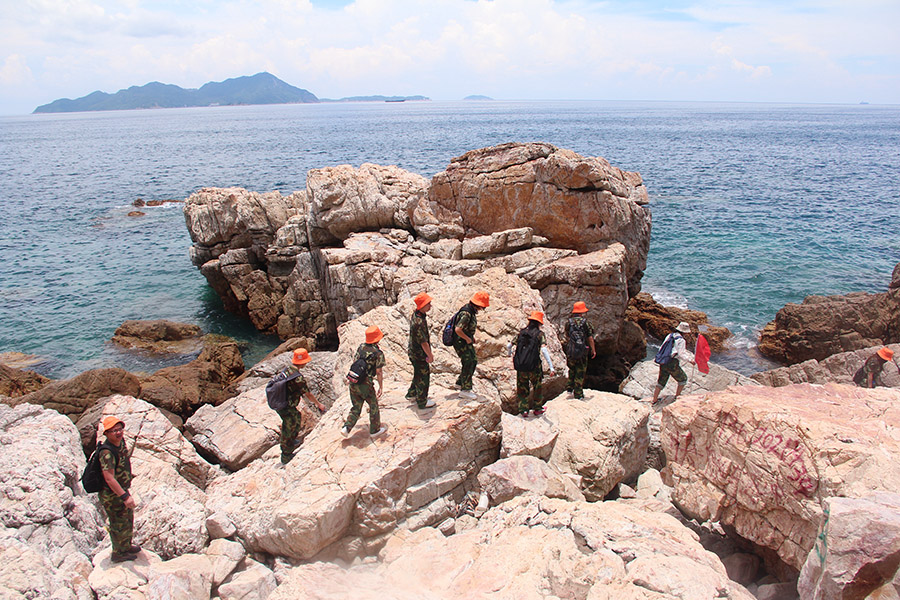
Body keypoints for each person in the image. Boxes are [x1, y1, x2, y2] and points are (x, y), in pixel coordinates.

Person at [97, 416, 139, 563]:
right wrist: (124, 497)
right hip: (111, 494)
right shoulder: (106, 453)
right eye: (114, 431)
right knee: (118, 522)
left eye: (120, 429)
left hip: (121, 489)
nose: (118, 433)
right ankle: (118, 553)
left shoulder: (121, 443)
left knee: (128, 518)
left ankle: (126, 546)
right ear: (107, 434)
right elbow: (109, 478)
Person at [279, 348, 326, 464]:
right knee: (288, 426)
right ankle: (286, 455)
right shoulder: (298, 377)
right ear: (302, 362)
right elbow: (308, 394)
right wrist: (318, 404)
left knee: (297, 418)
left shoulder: (287, 369)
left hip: (283, 402)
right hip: (286, 406)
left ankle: (291, 441)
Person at [508, 311, 556, 417]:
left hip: (521, 366)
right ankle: (537, 408)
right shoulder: (540, 334)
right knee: (537, 387)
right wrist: (551, 367)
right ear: (539, 323)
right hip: (534, 366)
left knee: (522, 388)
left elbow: (509, 345)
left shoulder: (521, 333)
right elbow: (544, 350)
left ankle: (523, 410)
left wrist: (509, 354)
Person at [342, 325, 387, 438]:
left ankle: (346, 427)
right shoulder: (378, 353)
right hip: (365, 384)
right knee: (373, 405)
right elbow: (379, 372)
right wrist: (380, 387)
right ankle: (375, 430)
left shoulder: (361, 347)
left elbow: (355, 361)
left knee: (356, 407)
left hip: (354, 380)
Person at [453, 291, 489, 399]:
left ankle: (460, 383)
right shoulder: (467, 313)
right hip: (461, 342)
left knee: (472, 361)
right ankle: (465, 390)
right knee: (469, 362)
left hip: (464, 341)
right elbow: (458, 329)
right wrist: (467, 338)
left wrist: (470, 336)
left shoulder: (470, 310)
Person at [651, 322, 694, 404]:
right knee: (683, 379)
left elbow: (662, 347)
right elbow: (681, 353)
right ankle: (677, 397)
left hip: (664, 361)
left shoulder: (670, 335)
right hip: (672, 362)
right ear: (685, 332)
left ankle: (654, 400)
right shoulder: (681, 340)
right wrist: (690, 360)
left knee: (661, 381)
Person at [406, 292, 436, 410]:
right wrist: (430, 355)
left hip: (414, 351)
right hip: (419, 354)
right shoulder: (419, 322)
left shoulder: (417, 314)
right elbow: (423, 342)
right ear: (422, 305)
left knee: (418, 373)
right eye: (428, 304)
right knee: (423, 376)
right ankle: (422, 401)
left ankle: (412, 393)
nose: (430, 306)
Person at [564, 301, 597, 399]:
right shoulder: (585, 323)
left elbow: (567, 336)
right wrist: (593, 350)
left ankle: (569, 388)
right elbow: (590, 337)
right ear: (582, 312)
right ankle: (578, 393)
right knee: (580, 371)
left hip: (571, 350)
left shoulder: (568, 322)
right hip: (582, 350)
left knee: (572, 369)